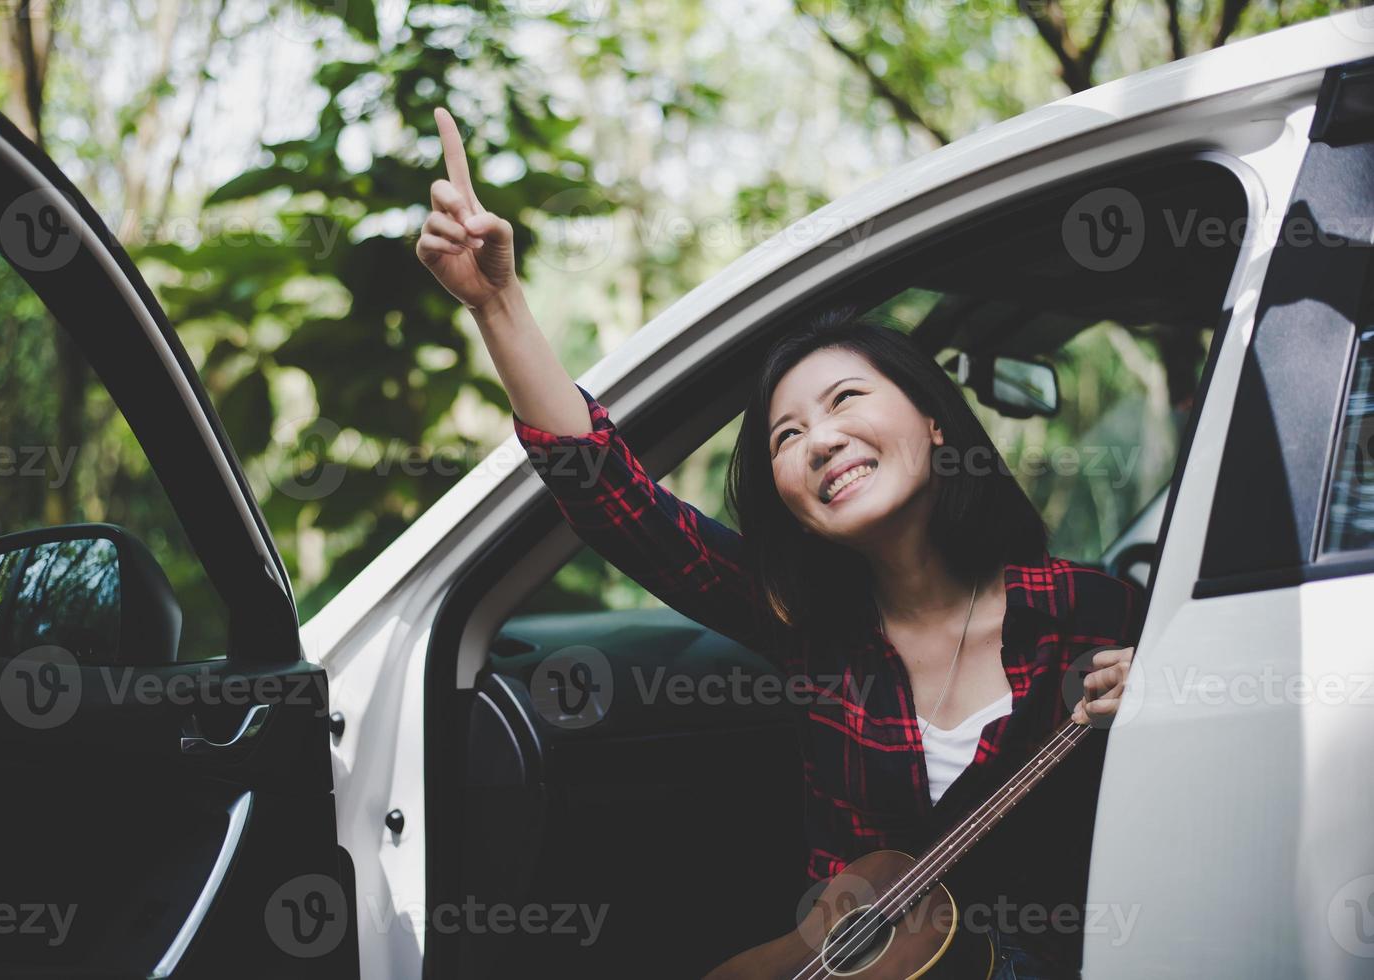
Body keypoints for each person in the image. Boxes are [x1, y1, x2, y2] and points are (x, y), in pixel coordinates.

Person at [416, 106, 1145, 979]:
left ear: (935, 423)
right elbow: (616, 500)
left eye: (845, 400)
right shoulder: (815, 630)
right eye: (785, 436)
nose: (820, 441)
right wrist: (497, 303)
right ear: (790, 501)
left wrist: (1169, 688)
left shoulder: (1094, 613)